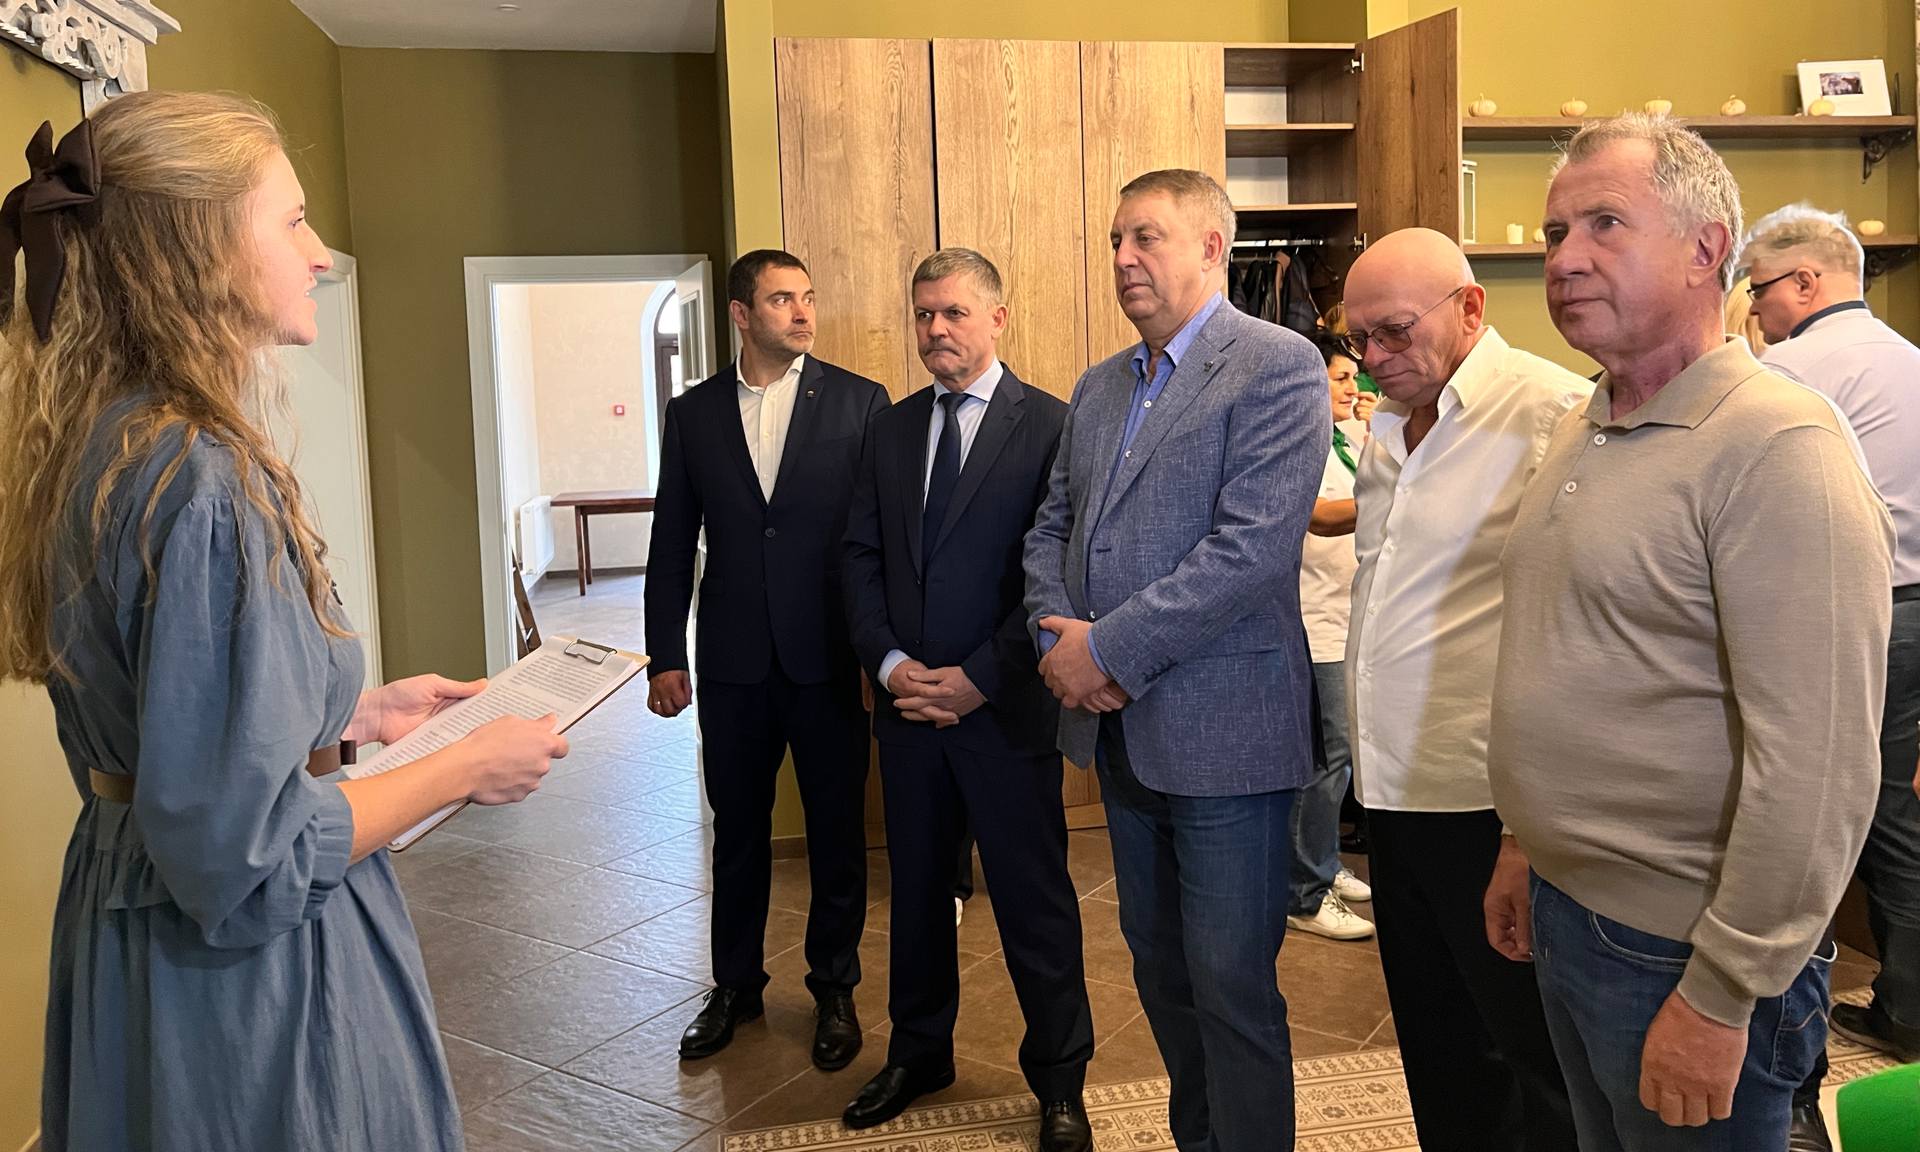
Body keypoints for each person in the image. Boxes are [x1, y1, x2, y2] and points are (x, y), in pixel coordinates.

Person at [0, 93, 567, 1152]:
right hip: (237, 985)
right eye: (294, 221)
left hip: (127, 923)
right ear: (202, 246)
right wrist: (464, 767)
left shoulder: (102, 443)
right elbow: (245, 856)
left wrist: (356, 717)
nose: (318, 255)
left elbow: (171, 734)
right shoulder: (204, 482)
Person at [1485, 115, 1893, 1152]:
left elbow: (1819, 766)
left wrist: (1723, 992)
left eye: (1604, 224)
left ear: (1709, 248)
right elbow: (1568, 652)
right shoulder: (1589, 420)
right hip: (1576, 910)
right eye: (1555, 232)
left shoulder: (1778, 445)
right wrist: (1526, 841)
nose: (1564, 258)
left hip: (1680, 948)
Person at [1023, 169, 1327, 1151]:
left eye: (1144, 237)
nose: (1122, 258)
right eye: (1115, 240)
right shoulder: (1099, 385)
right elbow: (1052, 526)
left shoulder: (1278, 365)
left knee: (1232, 986)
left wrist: (1106, 649)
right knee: (1160, 971)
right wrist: (1057, 640)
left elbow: (1249, 552)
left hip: (1228, 738)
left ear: (1211, 246)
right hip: (1120, 736)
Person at [1338, 227, 1585, 1151]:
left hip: (1484, 799)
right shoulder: (1386, 426)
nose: (1373, 357)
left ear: (1470, 307)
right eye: (1358, 337)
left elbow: (1566, 631)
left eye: (1394, 331)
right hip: (1390, 791)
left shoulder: (1550, 412)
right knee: (1438, 1046)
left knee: (1530, 1050)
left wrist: (1524, 830)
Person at [840, 248, 1092, 1148]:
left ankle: (1060, 1081)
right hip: (909, 713)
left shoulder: (1055, 426)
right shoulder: (890, 429)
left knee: (1033, 903)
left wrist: (981, 677)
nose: (935, 330)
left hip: (1007, 713)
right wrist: (889, 662)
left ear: (997, 318)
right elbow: (859, 556)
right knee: (915, 897)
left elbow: (1057, 574)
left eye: (952, 312)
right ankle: (919, 1053)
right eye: (923, 314)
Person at [644, 249, 888, 1068]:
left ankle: (835, 990)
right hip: (734, 663)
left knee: (837, 835)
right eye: (782, 299)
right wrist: (664, 654)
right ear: (742, 315)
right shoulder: (694, 414)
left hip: (830, 661)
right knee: (738, 834)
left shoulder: (860, 403)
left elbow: (877, 542)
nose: (803, 312)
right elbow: (671, 542)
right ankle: (735, 987)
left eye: (808, 297)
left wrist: (877, 650)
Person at [1740, 203, 1920, 1147]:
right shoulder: (1910, 359)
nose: (1756, 311)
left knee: (1807, 824)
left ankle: (1793, 1079)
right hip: (1918, 612)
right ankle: (1909, 1004)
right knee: (1895, 816)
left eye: (1761, 290)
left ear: (1806, 281)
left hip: (1844, 612)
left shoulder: (1788, 372)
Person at [1286, 334, 1374, 943]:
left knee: (1341, 761)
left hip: (1350, 622)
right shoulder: (1299, 444)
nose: (1353, 388)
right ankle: (1304, 892)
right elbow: (1319, 516)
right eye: (1340, 377)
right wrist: (1400, 496)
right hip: (1315, 625)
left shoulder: (1350, 440)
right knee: (1326, 760)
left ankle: (1323, 859)